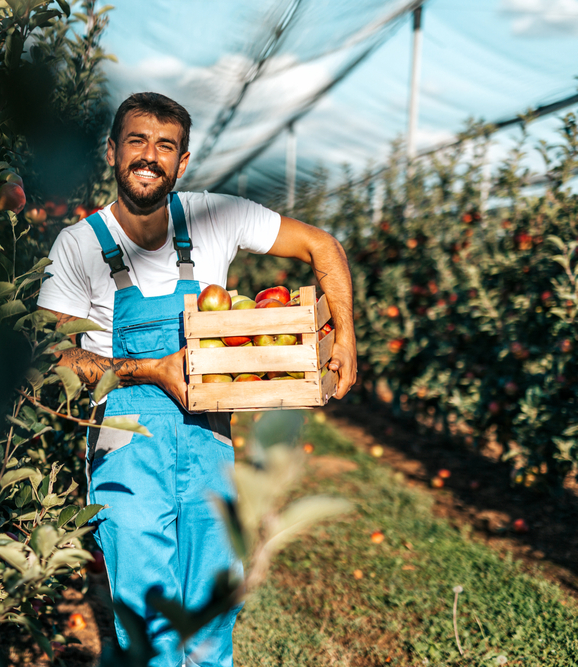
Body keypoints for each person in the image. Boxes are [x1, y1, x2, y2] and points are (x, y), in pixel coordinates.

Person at [37, 92, 357, 667]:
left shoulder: (214, 216)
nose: (149, 156)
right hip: (125, 435)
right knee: (147, 617)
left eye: (166, 146)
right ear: (111, 151)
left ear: (181, 163)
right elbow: (55, 356)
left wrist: (346, 337)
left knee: (212, 612)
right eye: (136, 141)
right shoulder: (79, 246)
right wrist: (152, 370)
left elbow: (321, 246)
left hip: (208, 435)